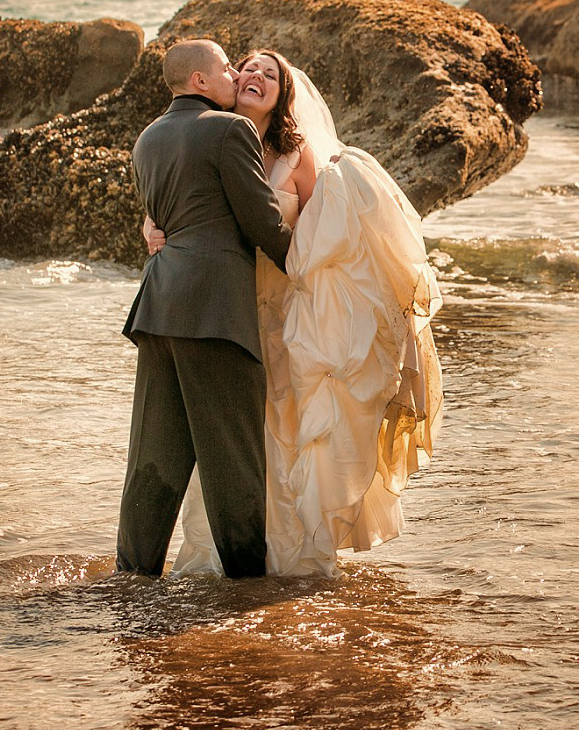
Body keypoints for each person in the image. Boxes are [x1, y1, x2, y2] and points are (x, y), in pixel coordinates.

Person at [146, 48, 444, 579]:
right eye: (248, 68)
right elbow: (180, 200)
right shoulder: (213, 136)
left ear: (284, 94)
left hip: (283, 310)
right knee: (239, 433)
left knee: (287, 425)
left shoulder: (297, 155)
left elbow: (318, 236)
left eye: (270, 74)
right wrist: (151, 226)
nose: (255, 76)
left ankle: (290, 557)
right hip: (229, 309)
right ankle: (234, 555)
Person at [118, 39, 293, 578]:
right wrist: (320, 273)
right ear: (199, 82)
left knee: (154, 459)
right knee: (233, 464)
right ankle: (247, 594)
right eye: (225, 69)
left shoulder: (147, 138)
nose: (235, 76)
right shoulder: (230, 130)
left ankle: (132, 577)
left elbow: (161, 222)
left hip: (157, 309)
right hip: (215, 314)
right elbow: (262, 222)